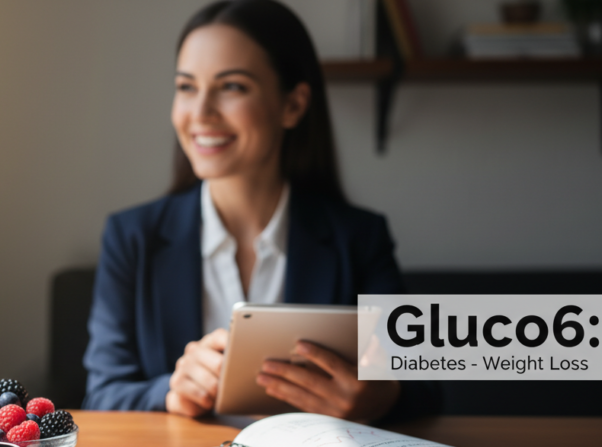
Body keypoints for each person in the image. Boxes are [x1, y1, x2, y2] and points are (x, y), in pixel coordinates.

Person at [82, 0, 440, 422]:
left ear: (293, 105)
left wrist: (378, 397)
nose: (200, 113)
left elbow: (426, 390)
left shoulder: (358, 238)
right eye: (186, 87)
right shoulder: (133, 236)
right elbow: (101, 396)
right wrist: (170, 392)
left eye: (231, 86)